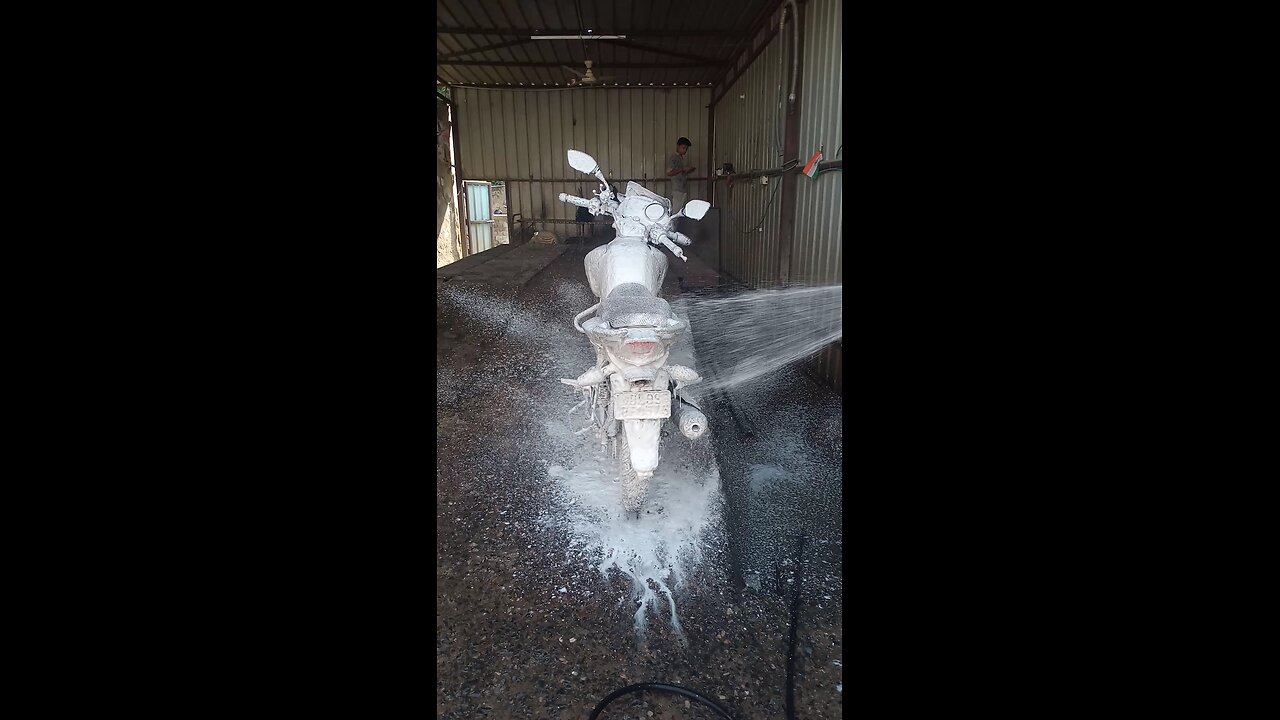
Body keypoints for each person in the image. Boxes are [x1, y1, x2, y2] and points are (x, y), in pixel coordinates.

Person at [666, 137, 696, 214]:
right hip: (677, 189)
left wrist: (688, 170)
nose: (685, 150)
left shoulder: (680, 158)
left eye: (686, 148)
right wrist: (682, 169)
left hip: (682, 188)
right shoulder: (674, 158)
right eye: (683, 148)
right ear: (678, 146)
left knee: (680, 211)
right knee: (676, 212)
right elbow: (669, 172)